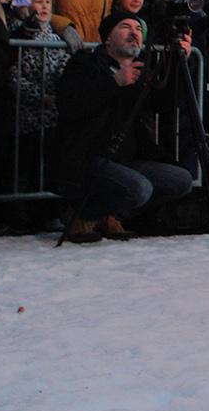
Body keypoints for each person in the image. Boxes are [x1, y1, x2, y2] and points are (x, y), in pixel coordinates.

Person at [51, 13, 195, 242]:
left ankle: (110, 214)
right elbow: (71, 104)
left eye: (138, 29)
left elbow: (163, 104)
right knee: (140, 189)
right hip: (85, 157)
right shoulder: (85, 63)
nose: (134, 33)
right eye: (125, 27)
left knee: (181, 180)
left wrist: (178, 62)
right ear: (107, 39)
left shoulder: (141, 70)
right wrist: (114, 82)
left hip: (125, 158)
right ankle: (83, 214)